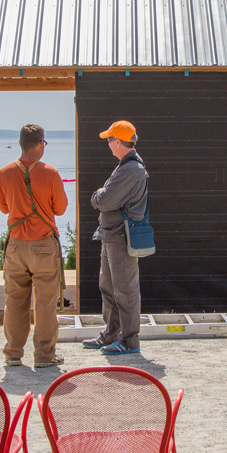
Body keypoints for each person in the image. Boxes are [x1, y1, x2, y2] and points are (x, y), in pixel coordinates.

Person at [0, 123, 68, 368]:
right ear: (40, 144)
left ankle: (14, 353)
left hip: (15, 245)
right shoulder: (51, 173)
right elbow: (60, 208)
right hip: (43, 244)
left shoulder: (4, 173)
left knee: (14, 301)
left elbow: (4, 208)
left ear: (20, 144)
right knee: (45, 302)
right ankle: (44, 356)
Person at [83, 120, 149, 356]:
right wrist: (103, 194)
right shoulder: (126, 166)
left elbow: (105, 200)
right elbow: (108, 197)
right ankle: (111, 334)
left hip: (120, 236)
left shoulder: (130, 169)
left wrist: (98, 194)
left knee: (125, 289)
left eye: (109, 140)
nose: (108, 144)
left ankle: (129, 340)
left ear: (118, 142)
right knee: (109, 286)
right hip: (112, 235)